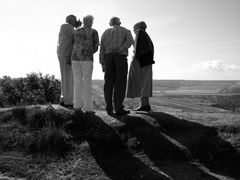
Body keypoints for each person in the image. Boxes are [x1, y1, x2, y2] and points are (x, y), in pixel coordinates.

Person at [99, 17, 134, 116]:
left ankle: (109, 108)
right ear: (120, 23)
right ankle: (118, 108)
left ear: (110, 23)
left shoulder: (105, 32)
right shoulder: (125, 30)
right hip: (120, 57)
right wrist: (121, 48)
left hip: (108, 58)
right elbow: (131, 41)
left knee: (108, 83)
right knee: (120, 82)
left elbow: (101, 48)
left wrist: (102, 63)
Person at [71, 15, 99, 114]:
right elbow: (96, 46)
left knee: (77, 82)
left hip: (75, 58)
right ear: (91, 21)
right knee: (86, 82)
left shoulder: (75, 31)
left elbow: (72, 43)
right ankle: (88, 108)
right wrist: (88, 52)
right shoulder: (93, 31)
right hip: (87, 59)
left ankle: (77, 106)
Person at [127, 21, 155, 112]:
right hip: (147, 62)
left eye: (133, 27)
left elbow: (138, 49)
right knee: (145, 83)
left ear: (139, 27)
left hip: (140, 62)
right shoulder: (146, 35)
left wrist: (135, 59)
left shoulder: (139, 32)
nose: (133, 30)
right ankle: (145, 105)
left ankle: (144, 105)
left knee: (140, 82)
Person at [57, 15, 81, 108]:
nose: (76, 22)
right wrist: (78, 26)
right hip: (66, 54)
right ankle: (68, 101)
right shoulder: (66, 26)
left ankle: (63, 98)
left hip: (64, 53)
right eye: (75, 20)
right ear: (71, 20)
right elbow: (77, 35)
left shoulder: (66, 27)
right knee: (68, 77)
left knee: (65, 77)